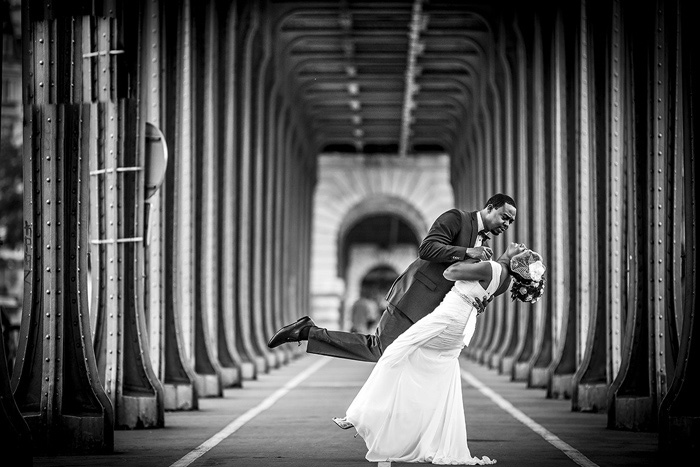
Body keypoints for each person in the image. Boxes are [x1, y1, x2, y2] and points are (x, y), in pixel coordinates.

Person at [332, 244, 547, 465]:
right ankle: (427, 438)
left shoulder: (491, 268)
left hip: (447, 319)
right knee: (436, 376)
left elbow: (449, 273)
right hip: (460, 329)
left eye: (523, 252)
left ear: (518, 263)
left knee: (393, 353)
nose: (521, 247)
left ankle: (361, 416)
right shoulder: (503, 282)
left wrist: (468, 254)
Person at [267, 194, 518, 362]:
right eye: (504, 217)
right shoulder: (457, 219)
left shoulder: (484, 244)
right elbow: (427, 249)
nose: (507, 224)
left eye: (511, 222)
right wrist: (466, 251)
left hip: (435, 312)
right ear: (489, 208)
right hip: (413, 299)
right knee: (379, 349)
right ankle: (307, 332)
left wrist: (477, 300)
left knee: (413, 361)